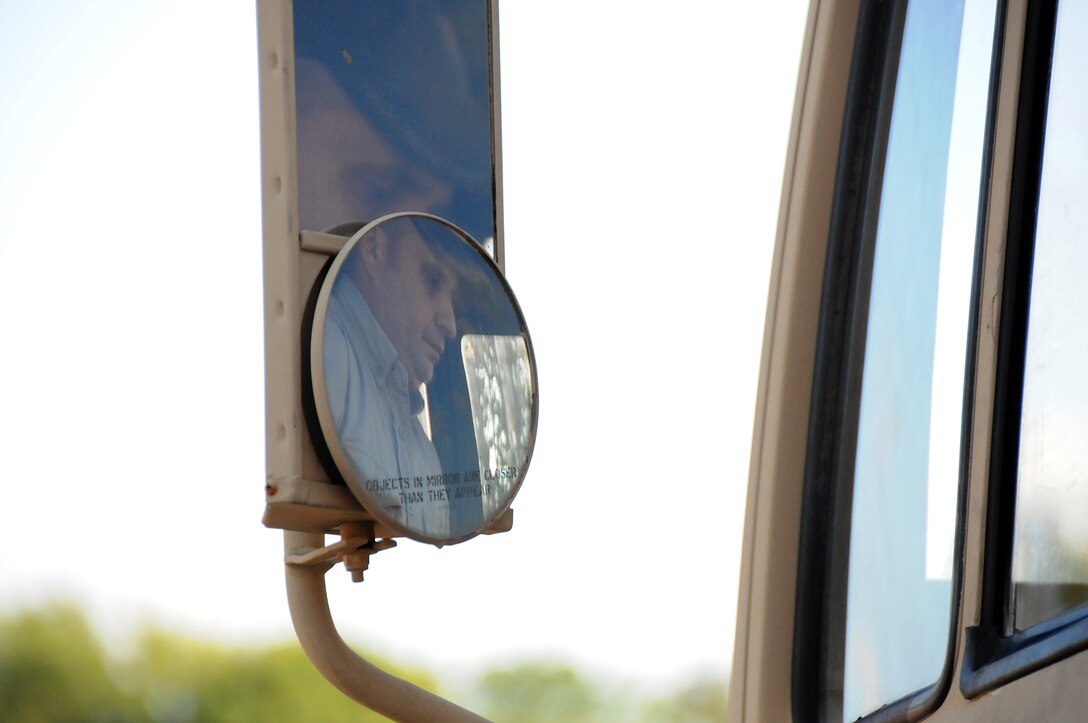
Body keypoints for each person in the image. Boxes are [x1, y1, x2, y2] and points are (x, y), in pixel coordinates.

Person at [322, 217, 459, 539]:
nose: (450, 324)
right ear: (374, 251)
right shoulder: (327, 350)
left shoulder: (423, 452)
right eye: (432, 280)